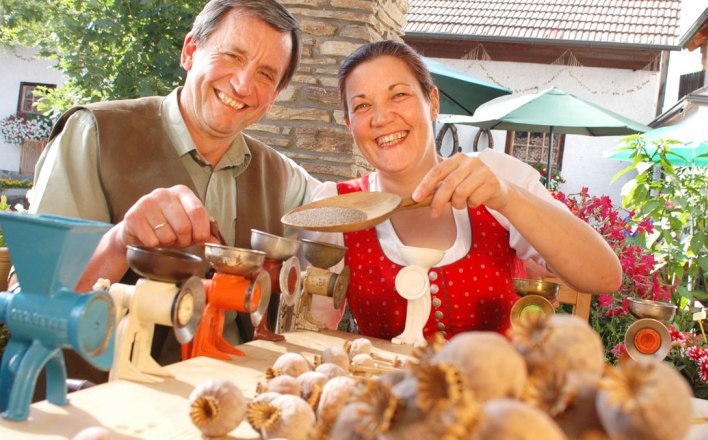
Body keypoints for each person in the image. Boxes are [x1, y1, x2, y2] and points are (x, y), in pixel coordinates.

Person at [24, 0, 318, 377]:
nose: (243, 84)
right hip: (99, 405)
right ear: (190, 51)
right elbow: (34, 309)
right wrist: (120, 241)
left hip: (232, 397)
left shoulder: (283, 176)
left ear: (274, 95)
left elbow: (351, 211)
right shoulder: (93, 133)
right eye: (231, 55)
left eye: (265, 74)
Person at [305, 40, 622, 340]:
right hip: (386, 395)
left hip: (498, 394)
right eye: (362, 106)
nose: (381, 118)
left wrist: (507, 197)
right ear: (349, 124)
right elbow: (313, 333)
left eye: (398, 95)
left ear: (432, 102)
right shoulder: (338, 209)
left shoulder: (496, 178)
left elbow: (604, 277)